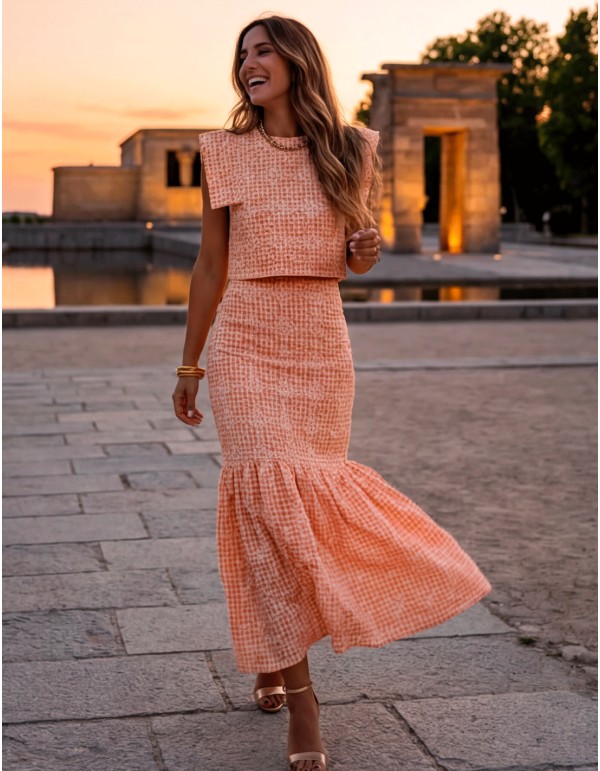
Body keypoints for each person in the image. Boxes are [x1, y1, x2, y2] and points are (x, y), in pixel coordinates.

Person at [172, 14, 491, 771]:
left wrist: (366, 248)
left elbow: (357, 255)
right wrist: (190, 366)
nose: (249, 62)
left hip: (319, 340)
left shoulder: (352, 150)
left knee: (299, 509)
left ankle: (271, 653)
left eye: (262, 49)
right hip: (246, 335)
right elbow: (211, 267)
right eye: (241, 53)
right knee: (267, 496)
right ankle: (305, 702)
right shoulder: (223, 153)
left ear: (297, 60)